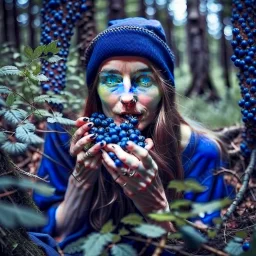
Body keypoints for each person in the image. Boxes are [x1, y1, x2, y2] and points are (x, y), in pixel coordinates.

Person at [33, 17, 232, 255]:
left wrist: (156, 206)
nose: (127, 97)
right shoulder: (63, 136)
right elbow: (49, 230)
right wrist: (81, 181)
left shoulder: (200, 152)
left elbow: (205, 248)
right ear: (95, 88)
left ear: (163, 90)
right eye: (112, 80)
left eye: (144, 80)